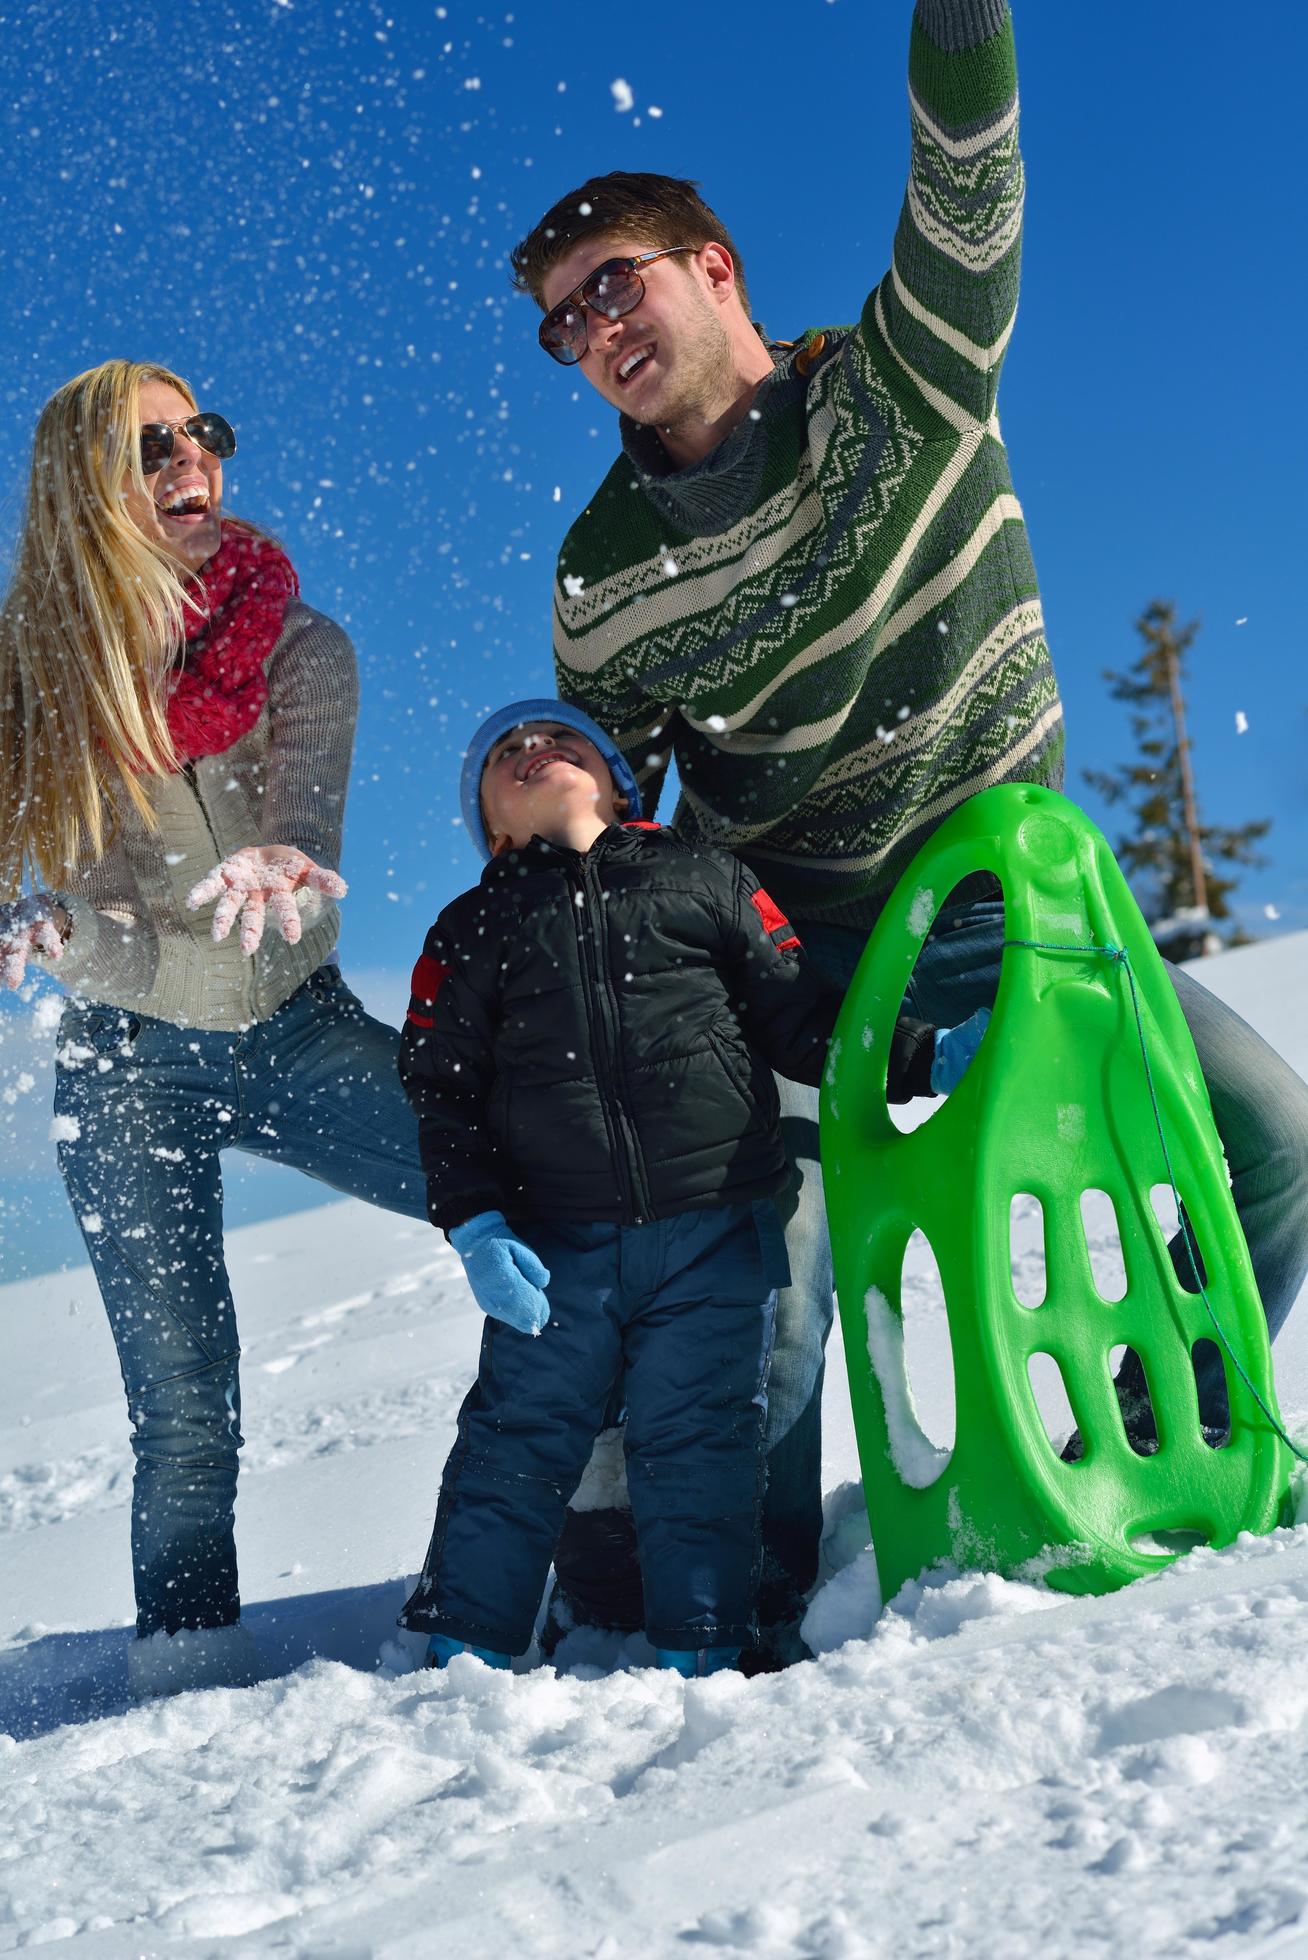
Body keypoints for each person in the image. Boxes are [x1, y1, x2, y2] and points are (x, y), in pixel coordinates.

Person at [510, 0, 1308, 1664]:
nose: (594, 328)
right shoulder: (603, 574)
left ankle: (1149, 1429)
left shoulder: (903, 383)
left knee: (1271, 1141)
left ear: (713, 268)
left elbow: (965, 168)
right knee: (775, 1293)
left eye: (616, 284)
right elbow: (619, 808)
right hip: (799, 965)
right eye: (564, 323)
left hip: (1013, 913)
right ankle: (738, 1608)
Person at [394, 701, 983, 1674]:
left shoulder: (705, 877)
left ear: (620, 785)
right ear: (492, 824)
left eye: (559, 739)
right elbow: (442, 1090)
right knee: (512, 1442)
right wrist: (478, 1224)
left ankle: (704, 1654)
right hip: (556, 1247)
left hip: (713, 1231)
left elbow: (803, 1022)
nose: (533, 750)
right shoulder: (471, 926)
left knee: (700, 1446)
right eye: (504, 755)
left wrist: (921, 1055)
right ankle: (460, 1652)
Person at [0, 360, 429, 1696]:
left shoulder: (301, 646)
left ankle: (590, 1533)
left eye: (204, 433)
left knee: (533, 1188)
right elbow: (96, 938)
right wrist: (56, 938)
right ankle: (188, 1688)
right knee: (184, 1403)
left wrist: (283, 860)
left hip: (292, 1024)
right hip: (125, 1070)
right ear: (85, 488)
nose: (191, 459)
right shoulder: (33, 693)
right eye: (149, 446)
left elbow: (298, 828)